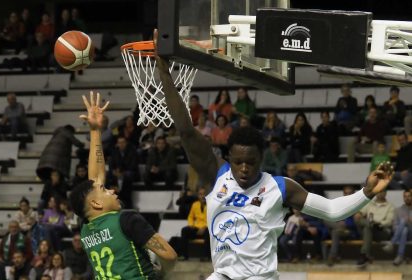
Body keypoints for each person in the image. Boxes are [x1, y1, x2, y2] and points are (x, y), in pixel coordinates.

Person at [154, 29, 393, 280]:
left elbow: (332, 211)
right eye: (238, 163)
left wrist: (366, 192)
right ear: (229, 159)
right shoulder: (216, 174)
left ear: (262, 159)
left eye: (251, 162)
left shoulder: (280, 188)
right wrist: (163, 71)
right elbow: (185, 130)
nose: (244, 168)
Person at [69, 92, 177, 279]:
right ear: (96, 204)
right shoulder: (126, 220)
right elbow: (170, 255)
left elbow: (94, 180)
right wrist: (162, 273)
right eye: (105, 190)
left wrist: (95, 131)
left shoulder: (86, 228)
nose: (111, 190)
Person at [354, 190, 395, 266]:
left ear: (385, 193)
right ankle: (364, 255)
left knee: (367, 228)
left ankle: (364, 255)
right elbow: (361, 212)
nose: (380, 193)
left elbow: (389, 222)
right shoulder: (369, 203)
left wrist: (377, 223)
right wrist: (359, 214)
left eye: (382, 192)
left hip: (381, 230)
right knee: (364, 225)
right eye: (378, 191)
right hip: (370, 228)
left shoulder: (390, 206)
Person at [325, 186, 359, 266]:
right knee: (325, 219)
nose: (347, 195)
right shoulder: (338, 204)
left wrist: (345, 224)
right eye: (346, 193)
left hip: (350, 231)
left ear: (354, 194)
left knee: (335, 232)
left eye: (350, 193)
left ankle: (332, 256)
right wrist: (339, 223)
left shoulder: (357, 205)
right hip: (339, 228)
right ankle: (335, 256)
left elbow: (357, 223)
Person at [382, 189, 412, 265]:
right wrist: (402, 226)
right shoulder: (398, 210)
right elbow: (394, 227)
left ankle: (392, 242)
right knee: (404, 229)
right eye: (405, 196)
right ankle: (400, 256)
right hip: (402, 234)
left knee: (403, 221)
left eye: (409, 196)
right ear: (403, 198)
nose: (407, 198)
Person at [108, 136, 140, 208]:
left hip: (129, 173)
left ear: (126, 143)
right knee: (109, 176)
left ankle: (126, 202)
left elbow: (133, 166)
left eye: (123, 142)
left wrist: (122, 173)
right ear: (117, 144)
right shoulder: (115, 152)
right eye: (119, 143)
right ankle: (113, 202)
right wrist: (114, 171)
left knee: (127, 177)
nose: (121, 144)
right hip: (117, 174)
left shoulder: (132, 151)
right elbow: (111, 164)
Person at [181, 188, 210, 260]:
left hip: (206, 228)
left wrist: (205, 227)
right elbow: (190, 216)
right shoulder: (195, 204)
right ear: (198, 196)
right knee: (184, 230)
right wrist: (191, 225)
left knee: (208, 232)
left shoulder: (211, 204)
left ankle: (206, 256)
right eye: (200, 194)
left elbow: (213, 219)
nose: (202, 196)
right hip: (196, 227)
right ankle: (185, 255)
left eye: (204, 194)